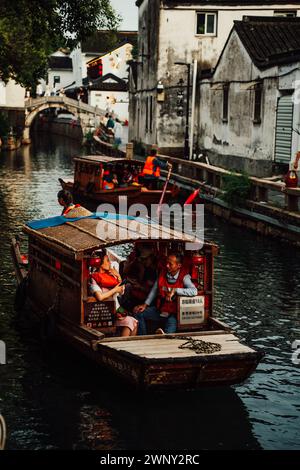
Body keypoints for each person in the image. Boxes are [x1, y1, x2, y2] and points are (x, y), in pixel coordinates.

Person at [133, 252, 197, 335]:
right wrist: (145, 305)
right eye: (167, 263)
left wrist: (176, 290)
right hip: (160, 310)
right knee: (138, 313)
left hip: (173, 314)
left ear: (179, 266)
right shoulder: (162, 273)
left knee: (168, 334)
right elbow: (154, 290)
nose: (167, 266)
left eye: (170, 264)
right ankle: (143, 338)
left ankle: (162, 335)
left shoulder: (184, 277)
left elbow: (194, 291)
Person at [89, 250, 138, 337]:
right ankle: (121, 347)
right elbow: (100, 297)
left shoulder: (111, 276)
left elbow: (121, 292)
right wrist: (115, 290)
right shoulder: (94, 279)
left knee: (135, 322)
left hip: (116, 309)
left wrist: (118, 276)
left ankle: (127, 346)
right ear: (100, 264)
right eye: (107, 261)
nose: (110, 263)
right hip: (104, 312)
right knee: (130, 322)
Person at [120, 246, 157, 311]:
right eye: (142, 259)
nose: (143, 261)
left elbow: (153, 290)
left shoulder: (154, 271)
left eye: (145, 259)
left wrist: (139, 286)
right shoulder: (144, 267)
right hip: (138, 294)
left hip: (147, 300)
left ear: (151, 258)